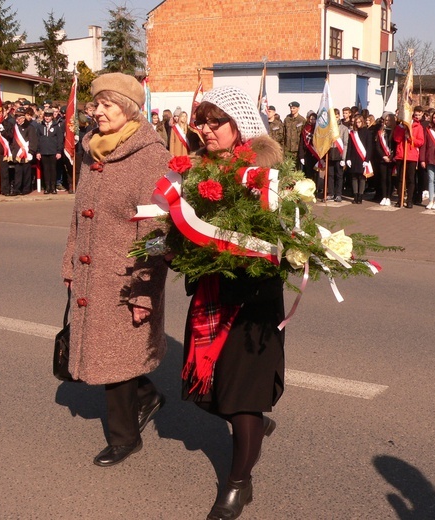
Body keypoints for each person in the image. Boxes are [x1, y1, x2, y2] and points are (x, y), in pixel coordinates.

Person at [61, 72, 170, 468]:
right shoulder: (95, 151)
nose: (98, 112)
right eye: (96, 104)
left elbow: (156, 231)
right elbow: (79, 214)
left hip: (126, 274)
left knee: (116, 356)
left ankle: (125, 439)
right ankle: (147, 396)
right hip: (93, 270)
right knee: (106, 351)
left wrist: (145, 289)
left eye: (107, 105)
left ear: (129, 110)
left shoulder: (151, 156)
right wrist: (70, 259)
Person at [186, 85, 284, 520]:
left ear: (238, 124)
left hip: (253, 296)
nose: (206, 129)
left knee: (244, 395)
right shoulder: (194, 173)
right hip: (212, 291)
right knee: (215, 391)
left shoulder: (265, 171)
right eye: (202, 121)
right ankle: (254, 431)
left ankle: (238, 484)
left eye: (215, 121)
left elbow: (282, 233)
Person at [393, 106, 425, 208]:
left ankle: (410, 200)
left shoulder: (418, 126)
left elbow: (420, 142)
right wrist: (402, 131)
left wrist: (411, 138)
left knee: (411, 179)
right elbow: (396, 139)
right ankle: (400, 199)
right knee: (400, 179)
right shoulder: (400, 126)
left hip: (411, 156)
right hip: (401, 155)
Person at [9, 107, 38, 196]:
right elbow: (10, 138)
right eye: (16, 117)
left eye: (20, 117)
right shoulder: (14, 127)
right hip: (17, 154)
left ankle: (26, 189)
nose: (18, 119)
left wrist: (31, 152)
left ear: (23, 117)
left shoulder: (30, 127)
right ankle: (16, 189)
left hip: (26, 154)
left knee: (26, 172)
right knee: (18, 172)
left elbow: (33, 140)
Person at [346, 114, 373, 204]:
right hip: (354, 157)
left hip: (363, 157)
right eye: (356, 122)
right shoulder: (353, 133)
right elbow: (349, 146)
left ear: (362, 122)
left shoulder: (367, 132)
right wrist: (348, 158)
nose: (357, 124)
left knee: (361, 177)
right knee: (354, 177)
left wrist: (367, 160)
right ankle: (355, 195)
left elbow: (369, 147)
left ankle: (360, 196)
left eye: (359, 122)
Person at [37, 108, 64, 194]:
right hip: (43, 151)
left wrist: (59, 151)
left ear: (52, 117)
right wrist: (38, 151)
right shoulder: (40, 126)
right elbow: (37, 139)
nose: (47, 118)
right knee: (45, 169)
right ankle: (47, 187)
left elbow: (60, 140)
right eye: (46, 116)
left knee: (53, 169)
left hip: (53, 151)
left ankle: (53, 187)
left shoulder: (56, 127)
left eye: (49, 116)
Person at [297, 110, 320, 184]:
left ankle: (315, 188)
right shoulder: (305, 129)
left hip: (316, 153)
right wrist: (301, 156)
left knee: (316, 172)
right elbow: (301, 143)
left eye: (314, 119)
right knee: (308, 172)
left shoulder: (319, 129)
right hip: (307, 153)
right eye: (311, 119)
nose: (312, 120)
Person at [283, 101, 306, 167]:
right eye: (291, 108)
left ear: (298, 108)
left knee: (297, 169)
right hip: (287, 149)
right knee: (287, 168)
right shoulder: (287, 119)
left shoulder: (302, 120)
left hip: (297, 149)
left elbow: (303, 136)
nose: (292, 109)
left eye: (293, 108)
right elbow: (284, 134)